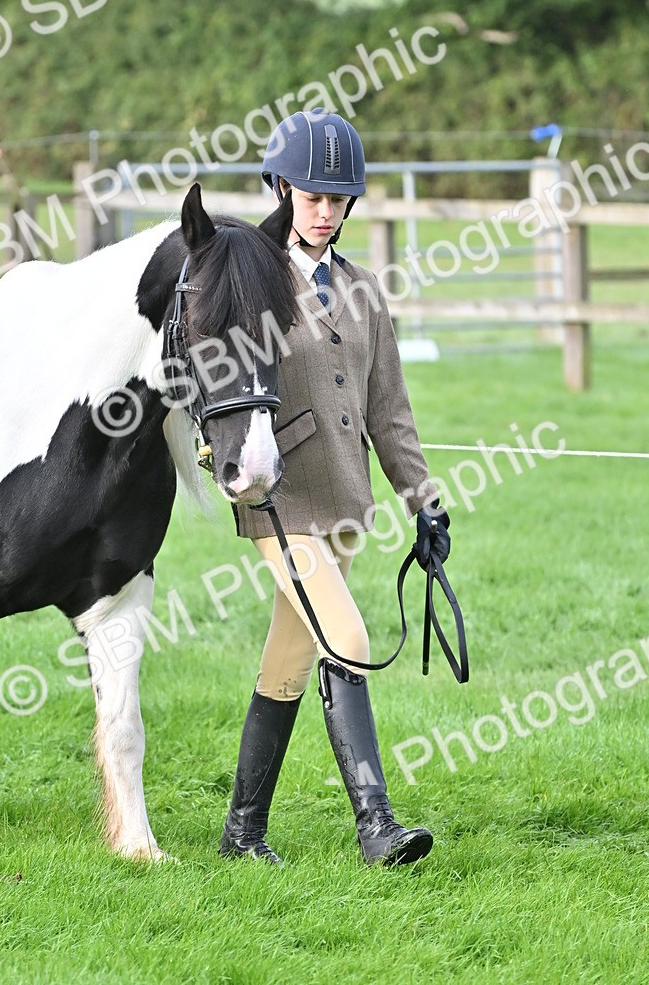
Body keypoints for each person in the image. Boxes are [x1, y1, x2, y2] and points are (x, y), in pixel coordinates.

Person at [218, 108, 451, 868]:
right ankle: (376, 826)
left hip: (345, 502)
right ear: (282, 189)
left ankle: (242, 833)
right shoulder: (252, 278)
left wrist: (425, 502)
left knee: (286, 664)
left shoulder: (363, 290)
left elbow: (391, 412)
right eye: (312, 196)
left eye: (337, 198)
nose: (325, 211)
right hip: (280, 502)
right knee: (346, 641)